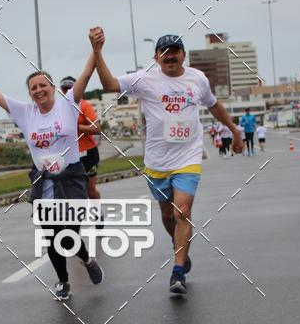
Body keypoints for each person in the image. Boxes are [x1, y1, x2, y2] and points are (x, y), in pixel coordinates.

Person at [88, 28, 243, 295]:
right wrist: (98, 51)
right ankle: (178, 244)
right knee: (167, 214)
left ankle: (178, 271)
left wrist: (235, 130)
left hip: (188, 157)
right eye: (165, 53)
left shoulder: (198, 79)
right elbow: (110, 85)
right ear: (156, 57)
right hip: (157, 161)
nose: (170, 57)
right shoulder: (145, 79)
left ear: (183, 55)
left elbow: (214, 105)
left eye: (175, 52)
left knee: (182, 211)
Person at [0, 54, 103, 301]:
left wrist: (95, 51)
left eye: (43, 85)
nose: (39, 90)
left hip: (71, 176)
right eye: (34, 88)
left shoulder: (67, 104)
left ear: (52, 88)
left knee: (70, 235)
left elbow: (86, 75)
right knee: (52, 235)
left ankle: (86, 259)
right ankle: (64, 282)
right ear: (30, 93)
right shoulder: (25, 112)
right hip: (44, 180)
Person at [59, 77, 101, 201]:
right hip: (70, 156)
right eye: (64, 89)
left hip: (88, 154)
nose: (67, 92)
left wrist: (75, 126)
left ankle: (97, 215)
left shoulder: (84, 105)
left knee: (91, 192)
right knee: (75, 194)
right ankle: (79, 219)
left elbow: (97, 129)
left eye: (70, 88)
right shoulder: (59, 107)